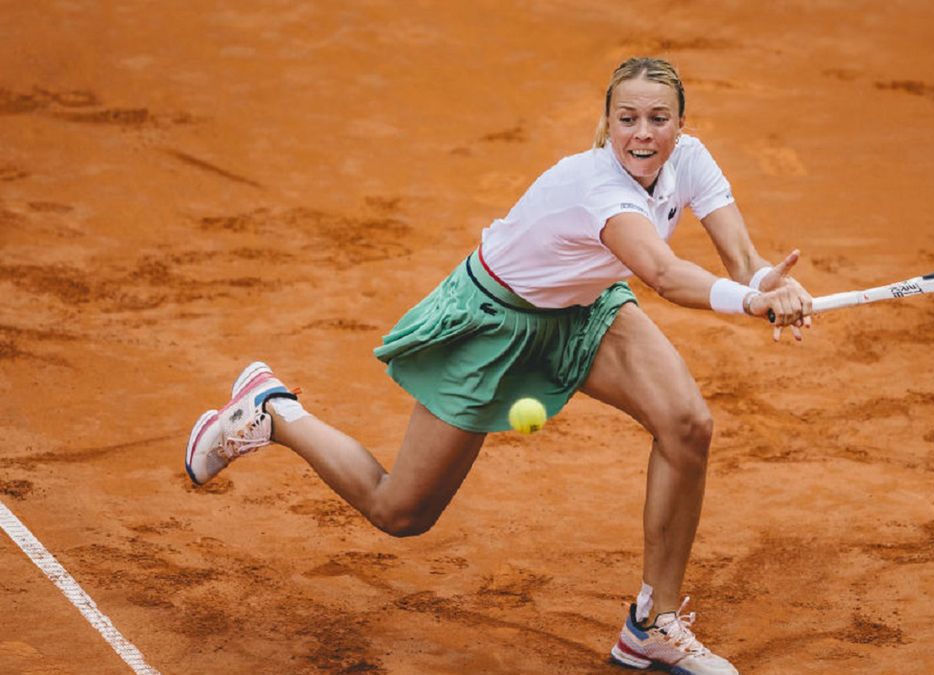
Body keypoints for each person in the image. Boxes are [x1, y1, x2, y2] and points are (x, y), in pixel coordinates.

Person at [185, 56, 813, 675]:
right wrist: (754, 303)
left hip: (585, 308)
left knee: (687, 424)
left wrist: (771, 287)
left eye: (658, 119)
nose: (642, 134)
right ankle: (274, 411)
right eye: (627, 119)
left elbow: (744, 261)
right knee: (399, 512)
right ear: (607, 122)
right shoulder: (600, 188)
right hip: (494, 323)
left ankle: (653, 626)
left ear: (680, 124)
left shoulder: (690, 161)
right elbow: (663, 274)